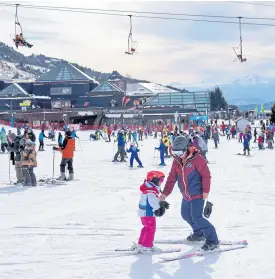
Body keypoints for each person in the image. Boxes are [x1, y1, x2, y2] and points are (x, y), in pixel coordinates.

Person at [159, 136, 219, 251]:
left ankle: (213, 240)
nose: (177, 154)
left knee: (197, 217)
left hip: (197, 193)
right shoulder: (176, 161)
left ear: (187, 148)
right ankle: (199, 233)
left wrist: (206, 191)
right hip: (186, 194)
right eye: (175, 152)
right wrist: (165, 193)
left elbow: (206, 175)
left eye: (180, 152)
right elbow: (172, 178)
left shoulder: (197, 159)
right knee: (185, 215)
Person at [135, 170, 168, 253]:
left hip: (144, 213)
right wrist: (158, 208)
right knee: (151, 229)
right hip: (148, 213)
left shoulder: (149, 189)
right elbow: (153, 202)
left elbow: (153, 200)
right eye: (160, 180)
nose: (161, 182)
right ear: (154, 180)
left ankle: (141, 244)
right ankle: (146, 246)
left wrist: (162, 203)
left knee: (146, 228)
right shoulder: (150, 191)